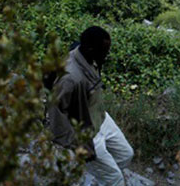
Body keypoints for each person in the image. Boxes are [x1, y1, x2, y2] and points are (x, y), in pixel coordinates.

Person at [48, 27, 134, 186]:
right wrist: (77, 145)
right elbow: (55, 115)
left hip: (100, 118)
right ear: (89, 48)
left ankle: (98, 177)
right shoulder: (70, 78)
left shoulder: (89, 55)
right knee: (115, 180)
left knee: (125, 155)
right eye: (104, 51)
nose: (107, 55)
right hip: (86, 132)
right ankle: (102, 176)